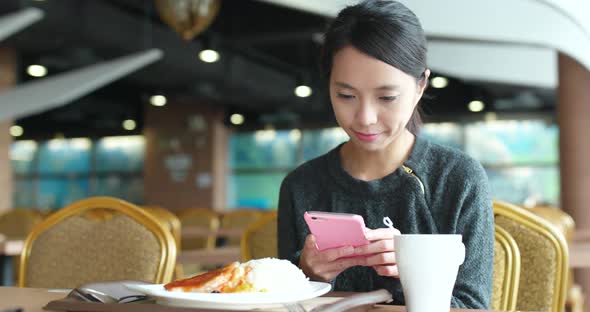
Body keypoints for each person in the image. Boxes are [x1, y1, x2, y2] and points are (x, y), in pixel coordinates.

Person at [277, 0, 494, 309]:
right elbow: (283, 305)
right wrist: (306, 274)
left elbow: (473, 307)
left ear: (420, 86)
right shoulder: (301, 186)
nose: (365, 117)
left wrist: (413, 275)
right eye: (346, 95)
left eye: (387, 97)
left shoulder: (457, 179)